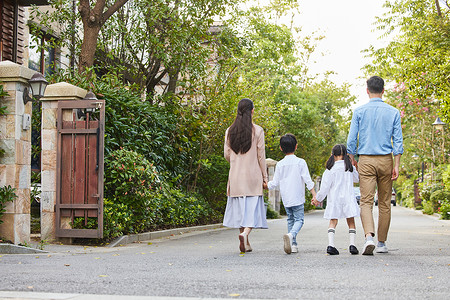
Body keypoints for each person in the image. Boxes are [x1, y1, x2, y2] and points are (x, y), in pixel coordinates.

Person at [347, 76, 403, 255]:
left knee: (366, 201)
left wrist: (352, 157)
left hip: (366, 160)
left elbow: (351, 139)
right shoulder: (393, 112)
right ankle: (381, 243)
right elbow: (398, 141)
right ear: (383, 90)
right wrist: (397, 164)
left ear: (367, 90)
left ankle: (368, 237)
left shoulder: (359, 111)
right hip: (386, 159)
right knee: (385, 203)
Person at [223, 98, 269, 253]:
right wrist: (265, 177)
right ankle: (245, 234)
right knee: (252, 211)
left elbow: (227, 155)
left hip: (235, 177)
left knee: (241, 211)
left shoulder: (229, 131)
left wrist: (237, 160)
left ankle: (245, 242)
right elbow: (261, 156)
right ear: (252, 111)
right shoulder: (258, 131)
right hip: (252, 177)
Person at [267, 134, 316, 254]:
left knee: (290, 220)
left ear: (281, 148)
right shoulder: (300, 162)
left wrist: (265, 185)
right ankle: (291, 235)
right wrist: (314, 195)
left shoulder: (280, 164)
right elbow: (307, 180)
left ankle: (293, 245)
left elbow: (275, 182)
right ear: (296, 146)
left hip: (287, 198)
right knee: (299, 220)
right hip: (297, 197)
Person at [312, 144, 360, 255]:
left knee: (333, 221)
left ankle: (331, 245)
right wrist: (355, 167)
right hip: (348, 199)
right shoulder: (349, 168)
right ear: (345, 155)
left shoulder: (330, 170)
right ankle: (352, 245)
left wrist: (317, 199)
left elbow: (324, 188)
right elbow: (357, 179)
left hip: (335, 200)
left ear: (333, 155)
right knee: (351, 221)